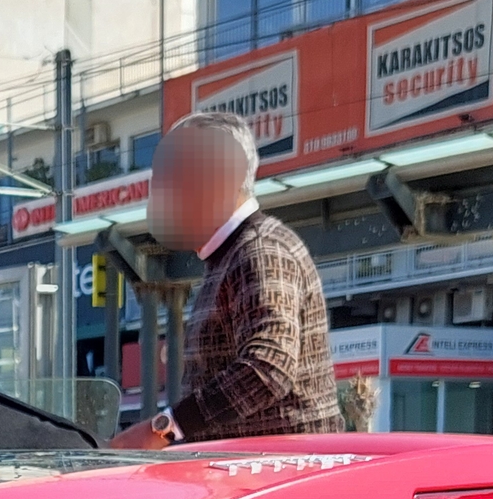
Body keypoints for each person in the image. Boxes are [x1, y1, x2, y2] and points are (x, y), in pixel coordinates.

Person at [109, 109, 336, 448]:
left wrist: (161, 430)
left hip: (280, 481)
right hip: (256, 478)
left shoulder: (261, 250)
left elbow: (267, 368)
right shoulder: (230, 255)